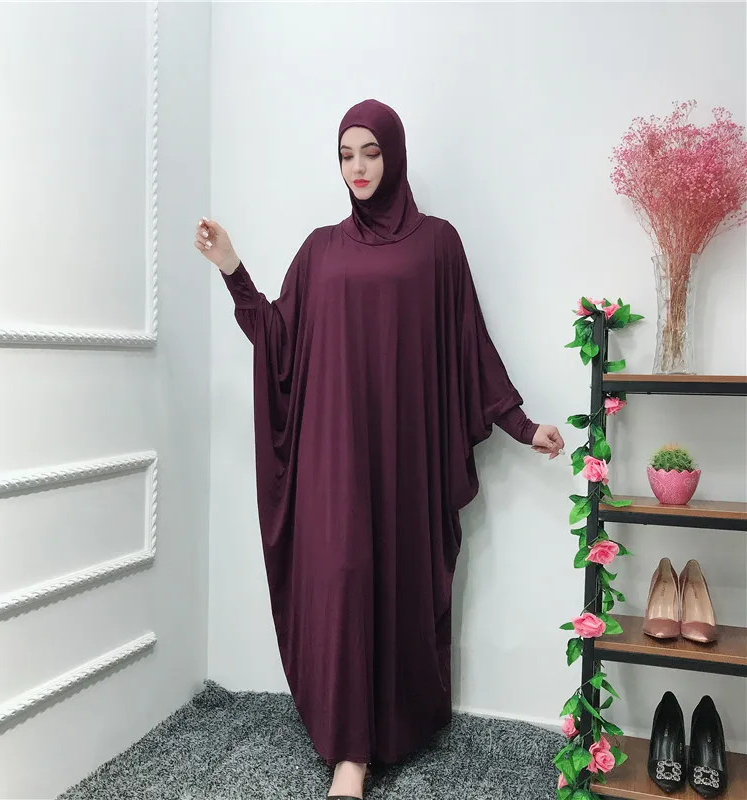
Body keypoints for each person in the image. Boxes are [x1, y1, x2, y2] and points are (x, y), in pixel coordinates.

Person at [195, 99, 564, 800]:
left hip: (404, 460)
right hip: (334, 456)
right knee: (342, 578)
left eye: (370, 152)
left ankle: (394, 728)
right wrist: (231, 268)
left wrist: (521, 425)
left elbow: (469, 345)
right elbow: (278, 340)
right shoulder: (320, 250)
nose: (357, 167)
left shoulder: (438, 245)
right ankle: (351, 755)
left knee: (396, 584)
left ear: (393, 154)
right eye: (345, 155)